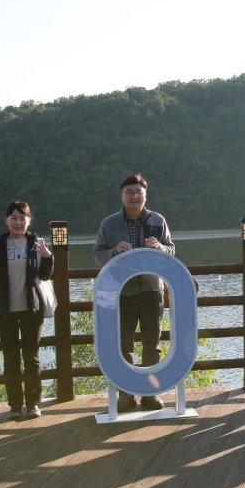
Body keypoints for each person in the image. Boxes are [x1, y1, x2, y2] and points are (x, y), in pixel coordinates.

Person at [93, 174, 176, 413]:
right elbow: (98, 255)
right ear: (122, 196)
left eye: (139, 191)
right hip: (121, 293)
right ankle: (126, 395)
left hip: (152, 291)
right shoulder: (108, 224)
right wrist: (114, 251)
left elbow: (171, 250)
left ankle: (151, 393)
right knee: (123, 347)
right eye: (129, 192)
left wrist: (160, 247)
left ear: (145, 195)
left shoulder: (158, 220)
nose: (134, 195)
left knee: (153, 345)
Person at [0, 201, 54, 421]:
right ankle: (15, 407)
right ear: (6, 220)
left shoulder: (36, 243)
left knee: (32, 358)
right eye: (14, 218)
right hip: (4, 311)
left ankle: (34, 404)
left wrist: (48, 257)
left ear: (29, 220)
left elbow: (45, 276)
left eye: (23, 218)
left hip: (31, 310)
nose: (18, 222)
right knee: (10, 359)